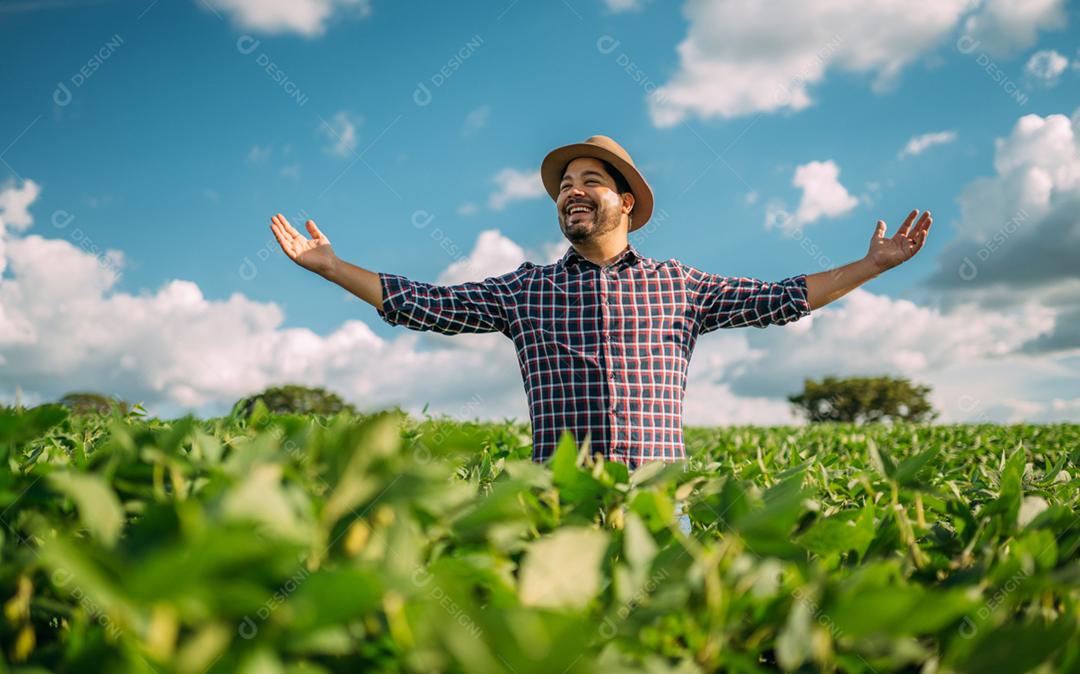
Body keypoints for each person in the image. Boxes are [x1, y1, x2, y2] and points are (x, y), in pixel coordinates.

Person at [269, 135, 932, 529]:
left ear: (627, 203)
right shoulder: (526, 290)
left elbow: (782, 299)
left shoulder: (681, 285)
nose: (572, 191)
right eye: (564, 185)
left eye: (590, 181)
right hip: (559, 506)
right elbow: (425, 304)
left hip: (658, 506)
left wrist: (871, 266)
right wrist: (330, 266)